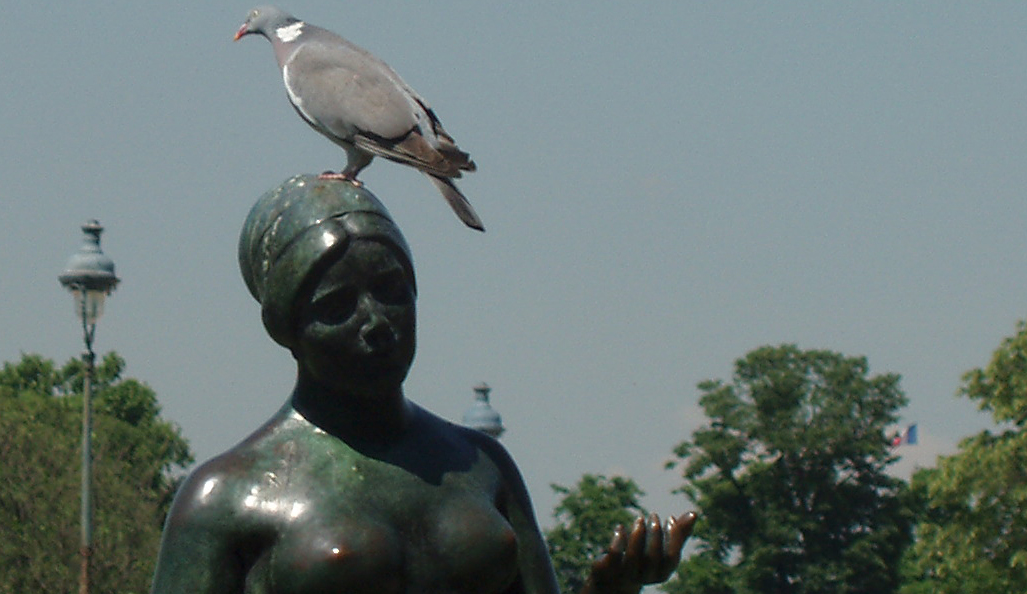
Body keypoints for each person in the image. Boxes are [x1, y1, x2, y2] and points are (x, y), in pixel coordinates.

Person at [151, 175, 693, 594]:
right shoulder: (225, 499)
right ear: (285, 330)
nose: (375, 321)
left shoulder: (480, 464)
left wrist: (610, 589)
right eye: (337, 307)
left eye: (391, 290)